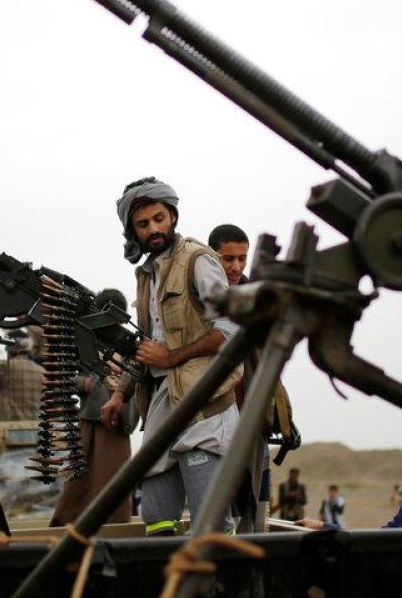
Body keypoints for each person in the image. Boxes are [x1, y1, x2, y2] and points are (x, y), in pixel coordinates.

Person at [101, 178, 241, 537]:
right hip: (162, 405)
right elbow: (149, 347)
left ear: (173, 216)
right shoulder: (147, 275)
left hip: (203, 404)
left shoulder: (198, 260)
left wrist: (172, 356)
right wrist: (119, 394)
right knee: (157, 515)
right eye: (143, 224)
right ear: (133, 231)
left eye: (159, 219)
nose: (153, 229)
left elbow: (230, 330)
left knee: (209, 519)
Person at [51, 288, 138, 526]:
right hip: (90, 419)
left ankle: (114, 528)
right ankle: (69, 527)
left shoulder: (128, 344)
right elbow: (62, 377)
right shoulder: (84, 340)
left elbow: (138, 376)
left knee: (113, 481)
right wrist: (86, 383)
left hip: (117, 423)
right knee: (79, 483)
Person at [208, 223, 272, 533]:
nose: (236, 267)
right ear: (212, 257)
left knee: (251, 500)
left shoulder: (257, 299)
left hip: (251, 409)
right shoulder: (201, 299)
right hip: (211, 411)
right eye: (228, 259)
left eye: (242, 259)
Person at [0, 326, 44, 422]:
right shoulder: (41, 371)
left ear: (8, 348)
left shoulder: (5, 366)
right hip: (34, 426)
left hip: (7, 426)